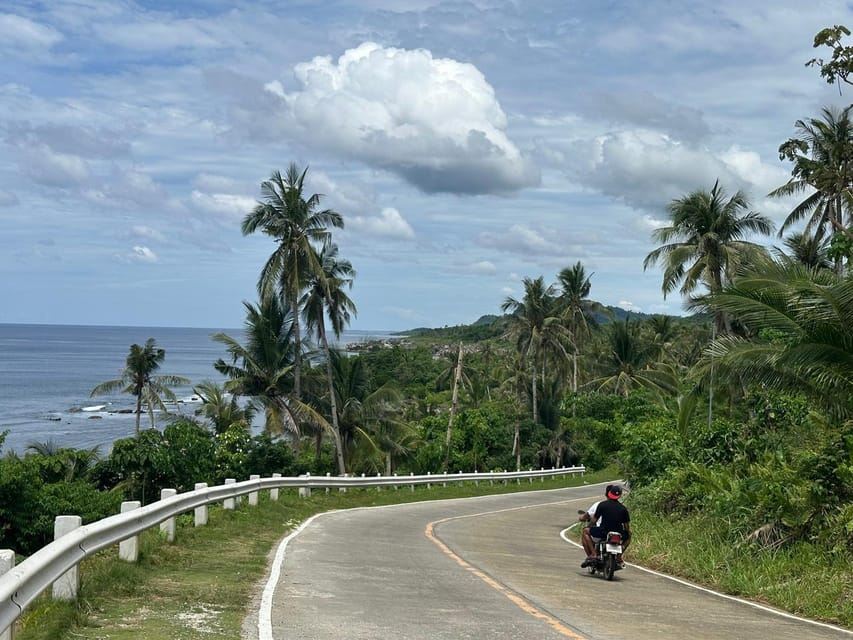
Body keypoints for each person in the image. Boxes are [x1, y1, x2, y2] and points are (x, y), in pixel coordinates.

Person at [578, 484, 630, 568]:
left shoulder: (602, 505)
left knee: (585, 531)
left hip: (603, 532)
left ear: (609, 493)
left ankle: (594, 554)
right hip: (619, 533)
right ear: (619, 496)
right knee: (629, 536)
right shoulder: (623, 509)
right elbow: (626, 526)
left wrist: (589, 526)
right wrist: (627, 533)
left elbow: (594, 520)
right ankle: (619, 556)